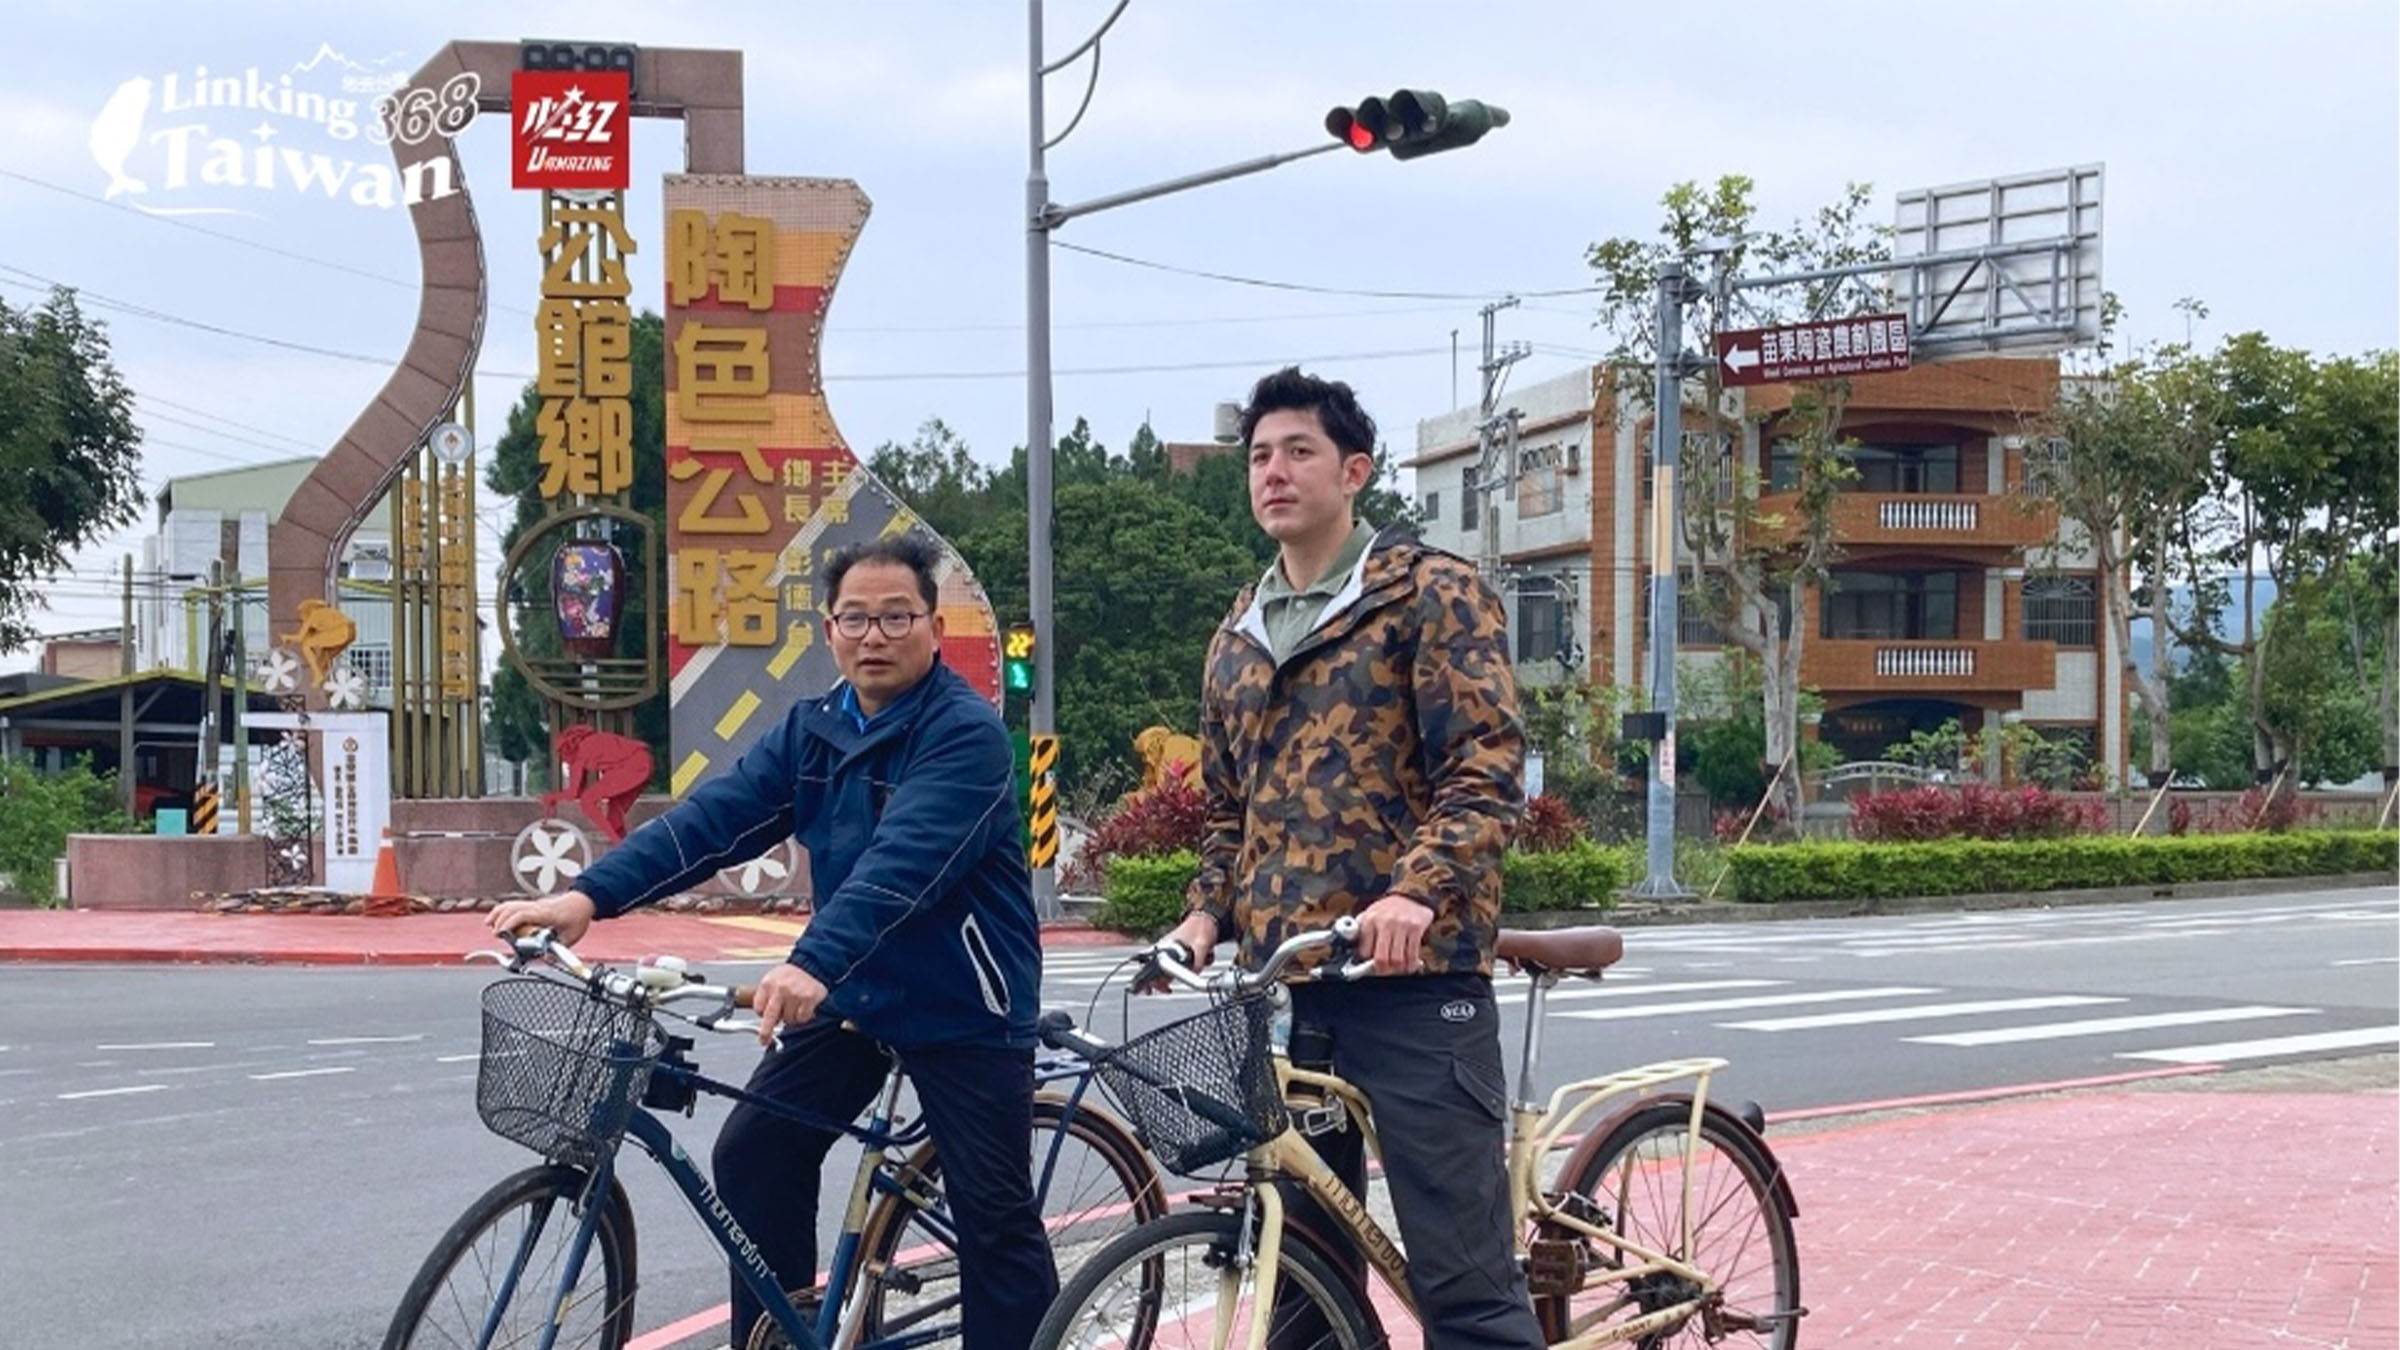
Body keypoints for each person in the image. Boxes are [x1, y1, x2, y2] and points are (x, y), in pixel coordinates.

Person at [489, 534, 1057, 1350]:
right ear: (830, 630)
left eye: (897, 617)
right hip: (855, 992)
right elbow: (712, 820)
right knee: (756, 1153)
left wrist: (811, 963)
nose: (874, 635)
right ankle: (782, 1338)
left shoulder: (965, 735)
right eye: (855, 618)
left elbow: (902, 865)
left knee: (992, 1218)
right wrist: (588, 896)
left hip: (964, 1002)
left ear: (934, 628)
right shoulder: (814, 731)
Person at [1160, 367, 1539, 1350]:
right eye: (1259, 456)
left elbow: (1486, 767)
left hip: (1412, 980)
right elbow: (1230, 811)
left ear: (1354, 471)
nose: (1274, 473)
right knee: (1303, 1279)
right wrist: (1205, 912)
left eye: (1300, 452)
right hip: (1289, 992)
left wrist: (1416, 893)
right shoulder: (1237, 635)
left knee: (1463, 1284)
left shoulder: (1427, 593)